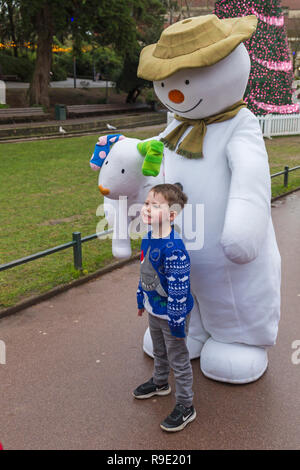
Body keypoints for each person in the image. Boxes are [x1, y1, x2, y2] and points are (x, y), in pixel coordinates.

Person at [133, 182, 196, 432]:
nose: (147, 208)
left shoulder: (174, 248)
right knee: (159, 351)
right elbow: (144, 271)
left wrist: (177, 322)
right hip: (154, 310)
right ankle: (160, 383)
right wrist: (141, 298)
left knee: (179, 360)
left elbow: (180, 288)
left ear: (171, 214)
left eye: (155, 206)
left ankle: (186, 405)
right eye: (147, 203)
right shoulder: (148, 238)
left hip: (173, 316)